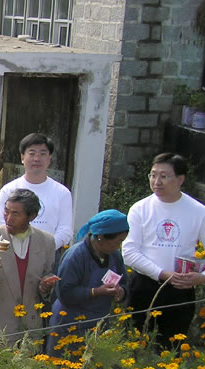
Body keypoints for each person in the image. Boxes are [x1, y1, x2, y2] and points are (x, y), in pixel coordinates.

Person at [123, 153, 205, 347]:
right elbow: (129, 252)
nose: (156, 181)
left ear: (180, 179)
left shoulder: (198, 211)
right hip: (144, 285)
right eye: (153, 175)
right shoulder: (140, 209)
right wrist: (162, 273)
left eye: (164, 176)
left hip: (181, 288)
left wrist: (200, 278)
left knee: (171, 347)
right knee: (134, 344)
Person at [0, 189, 57, 344]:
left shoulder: (46, 241)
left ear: (32, 216)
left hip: (29, 329)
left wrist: (46, 286)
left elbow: (47, 274)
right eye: (6, 211)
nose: (8, 218)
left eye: (16, 214)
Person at [47, 210, 129, 356]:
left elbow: (124, 282)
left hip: (99, 323)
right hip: (69, 325)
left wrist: (121, 292)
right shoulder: (75, 256)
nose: (119, 246)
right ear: (100, 237)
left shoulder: (115, 256)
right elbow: (65, 293)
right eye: (117, 241)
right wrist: (97, 291)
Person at [0, 133, 73, 254]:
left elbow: (65, 230)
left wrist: (44, 249)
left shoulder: (62, 193)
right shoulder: (8, 190)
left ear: (49, 159)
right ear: (22, 157)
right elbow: (1, 224)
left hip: (48, 254)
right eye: (31, 154)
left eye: (42, 154)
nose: (37, 159)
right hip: (13, 252)